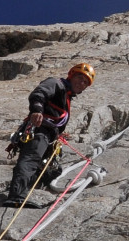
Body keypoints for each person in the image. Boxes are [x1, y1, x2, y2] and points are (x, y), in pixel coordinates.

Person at [6, 62, 95, 206]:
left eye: (85, 82)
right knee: (31, 159)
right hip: (40, 130)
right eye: (80, 78)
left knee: (53, 170)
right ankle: (16, 195)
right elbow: (38, 94)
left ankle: (24, 190)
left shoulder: (66, 96)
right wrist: (37, 110)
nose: (82, 83)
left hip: (49, 136)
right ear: (71, 76)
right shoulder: (56, 84)